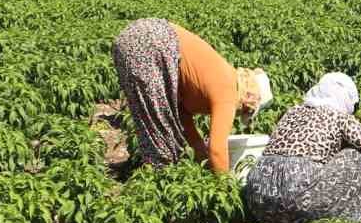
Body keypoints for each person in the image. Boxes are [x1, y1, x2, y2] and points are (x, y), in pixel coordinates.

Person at [244, 72, 361, 223]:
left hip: (259, 201)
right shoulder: (339, 116)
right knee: (357, 157)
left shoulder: (291, 112)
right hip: (296, 201)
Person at [111, 18, 272, 174]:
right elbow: (217, 150)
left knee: (154, 125)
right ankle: (157, 180)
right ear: (248, 99)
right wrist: (225, 187)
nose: (238, 113)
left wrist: (204, 162)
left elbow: (187, 129)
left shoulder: (203, 87)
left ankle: (156, 174)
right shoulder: (229, 90)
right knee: (160, 140)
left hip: (129, 39)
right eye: (244, 111)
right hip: (152, 43)